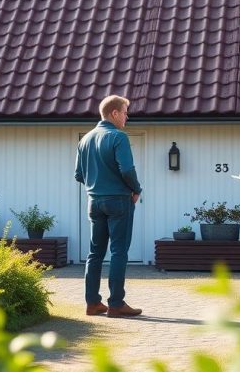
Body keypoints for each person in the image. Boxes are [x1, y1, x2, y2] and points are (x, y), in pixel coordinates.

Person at [74, 95, 143, 318]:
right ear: (114, 113)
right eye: (124, 112)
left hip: (94, 201)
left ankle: (92, 303)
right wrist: (136, 189)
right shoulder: (118, 137)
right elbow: (126, 170)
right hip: (119, 200)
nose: (127, 116)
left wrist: (98, 186)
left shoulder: (84, 140)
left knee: (94, 253)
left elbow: (79, 175)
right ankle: (116, 304)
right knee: (118, 251)